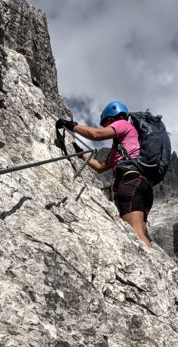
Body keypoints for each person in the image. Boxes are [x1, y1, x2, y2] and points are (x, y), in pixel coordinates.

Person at [57, 102, 153, 247]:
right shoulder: (121, 148)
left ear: (112, 117)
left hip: (130, 183)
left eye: (106, 123)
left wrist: (71, 125)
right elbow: (101, 167)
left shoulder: (123, 124)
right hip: (141, 185)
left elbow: (96, 135)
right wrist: (82, 154)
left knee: (136, 235)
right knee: (141, 233)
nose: (105, 127)